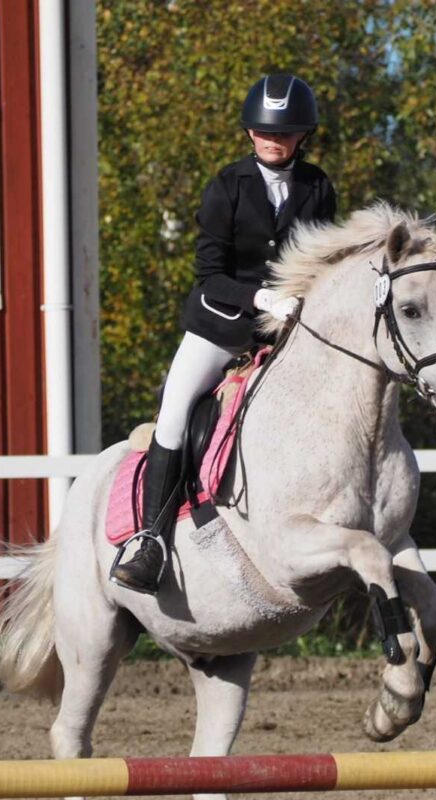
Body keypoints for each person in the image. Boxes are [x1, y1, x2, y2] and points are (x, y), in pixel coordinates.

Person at [111, 73, 337, 594]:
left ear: (303, 136)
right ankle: (149, 541)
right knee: (174, 414)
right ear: (250, 132)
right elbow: (209, 275)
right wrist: (261, 298)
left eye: (285, 133)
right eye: (265, 132)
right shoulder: (227, 186)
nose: (274, 140)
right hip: (221, 326)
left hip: (287, 332)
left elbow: (324, 259)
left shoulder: (317, 187)